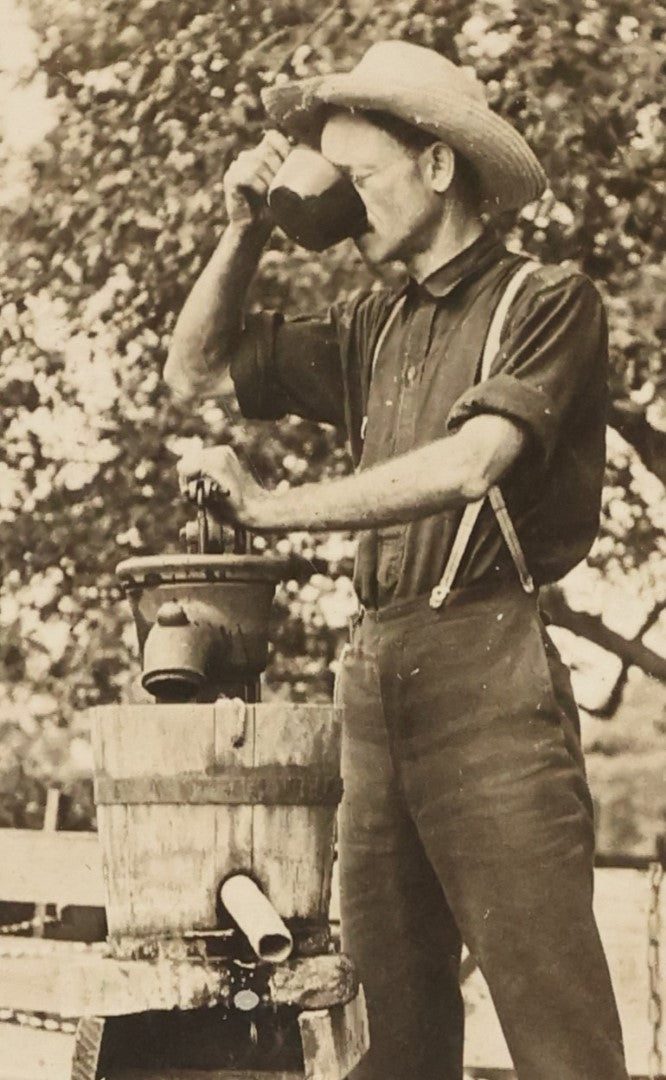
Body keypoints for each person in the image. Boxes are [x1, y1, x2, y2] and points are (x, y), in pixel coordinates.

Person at [165, 40, 630, 1080]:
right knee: (388, 1032)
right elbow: (192, 369)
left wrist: (273, 508)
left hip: (488, 668)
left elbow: (475, 465)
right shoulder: (372, 325)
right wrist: (242, 232)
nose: (350, 205)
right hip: (376, 678)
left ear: (436, 167)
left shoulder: (547, 299)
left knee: (556, 1026)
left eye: (364, 177)